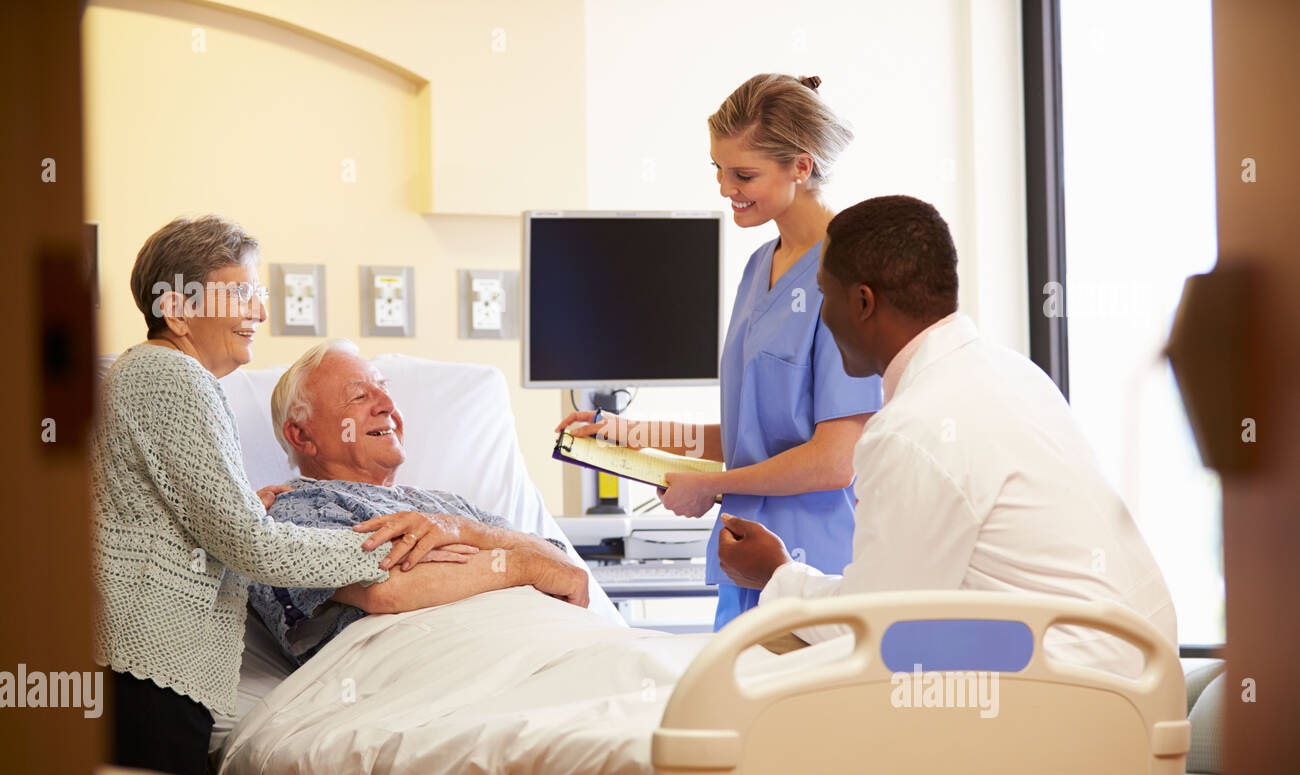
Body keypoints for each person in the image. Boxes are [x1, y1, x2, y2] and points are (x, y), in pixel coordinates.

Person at [718, 195, 1177, 678]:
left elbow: (873, 629)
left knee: (759, 683)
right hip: (1136, 675)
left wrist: (775, 574)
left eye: (824, 296)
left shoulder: (910, 430)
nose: (822, 318)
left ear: (863, 303)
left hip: (1072, 693)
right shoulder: (1014, 374)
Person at [92, 216, 440, 775]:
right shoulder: (171, 378)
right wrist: (390, 546)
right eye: (241, 294)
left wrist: (240, 506)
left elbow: (165, 515)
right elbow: (256, 548)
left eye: (261, 295)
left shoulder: (145, 374)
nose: (258, 311)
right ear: (176, 310)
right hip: (148, 671)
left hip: (138, 664)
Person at [556, 74, 882, 630]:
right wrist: (625, 433)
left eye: (743, 174)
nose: (725, 187)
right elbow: (751, 437)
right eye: (718, 169)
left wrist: (712, 485)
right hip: (744, 557)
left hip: (817, 570)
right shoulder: (759, 267)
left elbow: (835, 461)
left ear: (801, 167)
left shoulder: (850, 274)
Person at [248, 340, 593, 665]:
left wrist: (464, 531)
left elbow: (565, 570)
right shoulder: (292, 510)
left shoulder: (449, 507)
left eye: (385, 390)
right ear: (302, 435)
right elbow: (388, 589)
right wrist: (522, 567)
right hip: (440, 667)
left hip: (547, 646)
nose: (388, 405)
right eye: (359, 396)